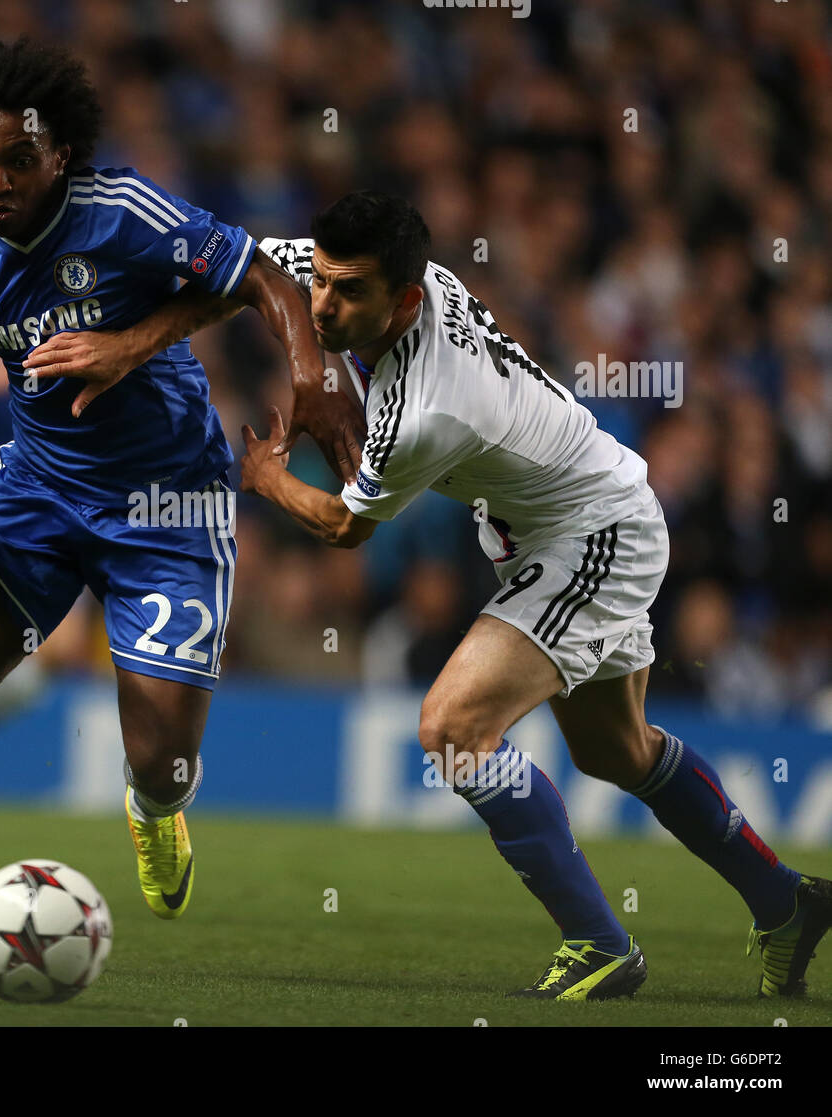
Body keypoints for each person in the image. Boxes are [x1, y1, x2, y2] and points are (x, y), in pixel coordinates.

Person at [44, 191, 832, 1001]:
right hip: (576, 513)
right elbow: (245, 272)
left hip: (594, 537)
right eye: (320, 280)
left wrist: (269, 479)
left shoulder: (427, 409)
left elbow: (348, 529)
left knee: (453, 727)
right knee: (616, 750)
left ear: (406, 300)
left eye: (347, 292)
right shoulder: (394, 282)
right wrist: (130, 344)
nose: (322, 303)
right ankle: (785, 902)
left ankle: (600, 944)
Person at [0, 39, 357, 963]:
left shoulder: (123, 212)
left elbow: (266, 279)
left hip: (167, 505)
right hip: (41, 493)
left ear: (61, 153)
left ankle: (158, 808)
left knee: (160, 755)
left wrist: (312, 377)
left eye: (18, 159)